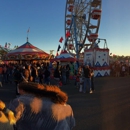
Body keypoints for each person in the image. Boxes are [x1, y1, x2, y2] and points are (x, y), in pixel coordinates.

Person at [8, 82, 75, 130]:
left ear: (22, 90)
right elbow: (71, 124)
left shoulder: (20, 102)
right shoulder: (65, 106)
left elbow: (9, 123)